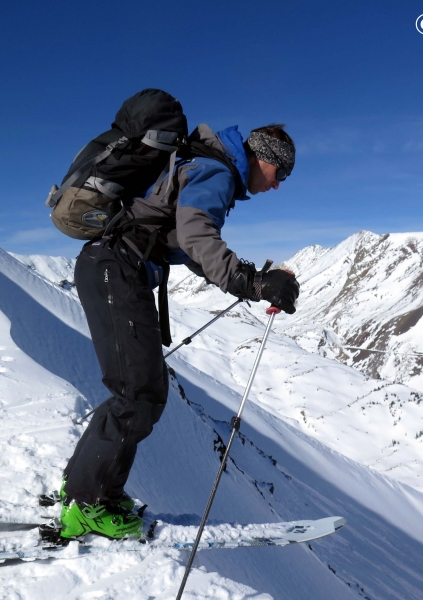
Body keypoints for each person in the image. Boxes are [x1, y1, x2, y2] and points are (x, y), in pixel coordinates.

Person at [58, 123, 301, 539]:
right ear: (264, 160)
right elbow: (196, 238)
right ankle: (88, 504)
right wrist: (253, 283)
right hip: (116, 270)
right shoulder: (217, 171)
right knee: (139, 393)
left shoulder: (202, 163)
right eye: (282, 174)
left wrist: (252, 281)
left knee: (139, 390)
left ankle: (83, 489)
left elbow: (185, 243)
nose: (278, 186)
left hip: (111, 268)